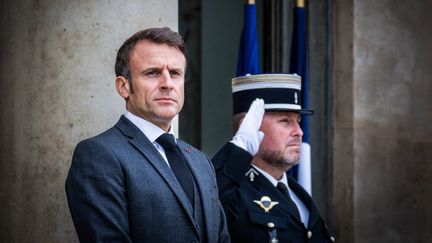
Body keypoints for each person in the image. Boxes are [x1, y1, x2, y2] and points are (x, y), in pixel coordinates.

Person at [65, 27, 230, 243]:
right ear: (124, 86)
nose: (167, 84)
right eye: (152, 73)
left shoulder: (200, 161)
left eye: (175, 73)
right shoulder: (98, 155)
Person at [212, 74, 335, 242]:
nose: (299, 132)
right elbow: (204, 200)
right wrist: (239, 148)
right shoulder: (232, 192)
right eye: (285, 121)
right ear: (248, 127)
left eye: (298, 121)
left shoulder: (298, 193)